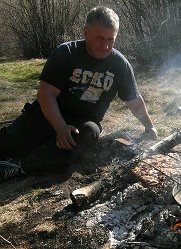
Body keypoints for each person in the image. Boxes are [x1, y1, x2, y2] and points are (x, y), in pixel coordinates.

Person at [0, 6, 157, 182]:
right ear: (86, 32)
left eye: (110, 39)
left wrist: (150, 127)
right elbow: (46, 94)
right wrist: (60, 126)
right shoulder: (66, 53)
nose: (105, 46)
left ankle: (20, 166)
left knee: (90, 133)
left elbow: (133, 100)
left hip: (81, 124)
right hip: (47, 114)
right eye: (99, 38)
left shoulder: (119, 64)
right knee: (9, 144)